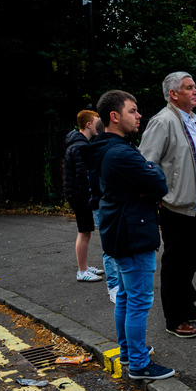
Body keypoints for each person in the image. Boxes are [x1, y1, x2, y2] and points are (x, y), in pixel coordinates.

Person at [83, 89, 174, 380]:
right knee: (138, 300)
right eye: (133, 111)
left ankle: (127, 351)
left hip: (119, 230)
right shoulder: (121, 152)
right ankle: (138, 363)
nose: (138, 116)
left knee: (125, 295)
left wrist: (147, 174)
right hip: (133, 232)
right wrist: (152, 171)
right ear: (114, 116)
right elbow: (159, 183)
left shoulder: (107, 148)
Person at [140, 72, 196, 339]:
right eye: (189, 87)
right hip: (175, 206)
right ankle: (174, 318)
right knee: (176, 262)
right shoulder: (162, 122)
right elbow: (147, 165)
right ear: (173, 94)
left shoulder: (193, 120)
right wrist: (165, 194)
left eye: (195, 86)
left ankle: (188, 305)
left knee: (191, 259)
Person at [64, 110, 104, 283]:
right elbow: (83, 176)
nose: (99, 125)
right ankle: (82, 271)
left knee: (85, 231)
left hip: (76, 194)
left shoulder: (77, 144)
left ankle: (85, 266)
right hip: (80, 196)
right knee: (84, 232)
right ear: (88, 124)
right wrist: (90, 196)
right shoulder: (80, 146)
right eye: (96, 122)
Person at [86, 116, 121, 303]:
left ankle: (117, 284)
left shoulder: (98, 148)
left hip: (102, 203)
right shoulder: (100, 150)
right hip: (102, 204)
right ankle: (113, 285)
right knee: (109, 247)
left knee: (113, 246)